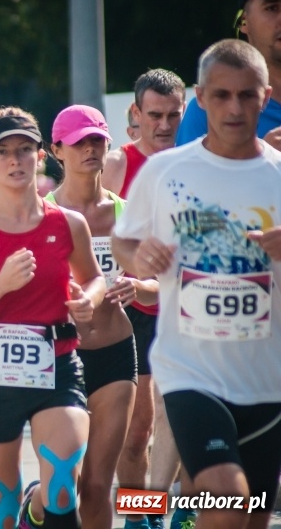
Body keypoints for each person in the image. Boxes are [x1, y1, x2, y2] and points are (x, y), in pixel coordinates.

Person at [113, 38, 281, 529]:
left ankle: (153, 511)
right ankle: (135, 514)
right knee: (222, 491)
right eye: (222, 95)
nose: (235, 107)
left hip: (265, 375)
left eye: (247, 95)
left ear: (265, 97)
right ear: (203, 97)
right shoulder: (163, 171)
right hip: (187, 366)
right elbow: (123, 243)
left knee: (250, 511)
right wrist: (138, 255)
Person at [0, 106, 104, 529]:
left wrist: (88, 301)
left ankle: (39, 508)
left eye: (24, 150)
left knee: (63, 490)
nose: (14, 160)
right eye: (3, 151)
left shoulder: (69, 223)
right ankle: (24, 511)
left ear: (41, 155)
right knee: (3, 513)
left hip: (58, 367)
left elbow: (94, 279)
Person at [23, 105, 158, 529]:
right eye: (79, 142)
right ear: (56, 151)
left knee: (128, 452)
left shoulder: (128, 213)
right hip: (64, 356)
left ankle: (145, 518)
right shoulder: (39, 214)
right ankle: (35, 505)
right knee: (70, 484)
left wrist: (137, 287)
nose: (90, 149)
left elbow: (163, 283)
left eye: (97, 140)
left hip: (122, 345)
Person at [101, 69, 189, 529]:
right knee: (137, 434)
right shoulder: (117, 164)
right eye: (154, 115)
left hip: (180, 307)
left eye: (174, 115)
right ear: (135, 114)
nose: (164, 125)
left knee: (182, 421)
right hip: (131, 309)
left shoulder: (195, 163)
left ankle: (178, 514)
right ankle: (141, 518)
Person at [177, 0, 281, 148]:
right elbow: (188, 172)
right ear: (244, 21)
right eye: (272, 8)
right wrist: (262, 160)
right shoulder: (208, 110)